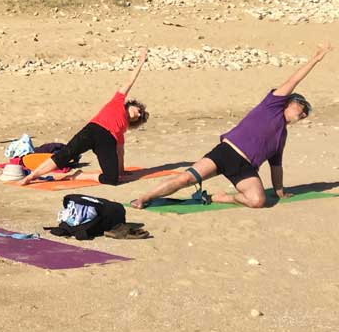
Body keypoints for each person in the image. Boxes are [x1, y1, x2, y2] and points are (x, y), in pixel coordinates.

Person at [132, 44, 331, 209]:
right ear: (289, 102)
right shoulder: (272, 105)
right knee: (185, 179)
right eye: (302, 107)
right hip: (226, 152)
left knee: (258, 201)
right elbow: (294, 80)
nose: (303, 113)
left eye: (306, 114)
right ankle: (144, 198)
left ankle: (223, 198)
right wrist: (315, 59)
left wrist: (279, 191)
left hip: (245, 169)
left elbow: (276, 165)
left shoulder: (282, 135)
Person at [19, 49, 150, 186]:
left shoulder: (122, 129)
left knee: (112, 180)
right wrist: (141, 62)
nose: (139, 114)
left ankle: (79, 176)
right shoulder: (118, 100)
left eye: (139, 117)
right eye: (139, 110)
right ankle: (32, 176)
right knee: (65, 155)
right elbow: (130, 81)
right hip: (93, 130)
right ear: (132, 104)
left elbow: (120, 151)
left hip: (107, 141)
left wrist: (121, 171)